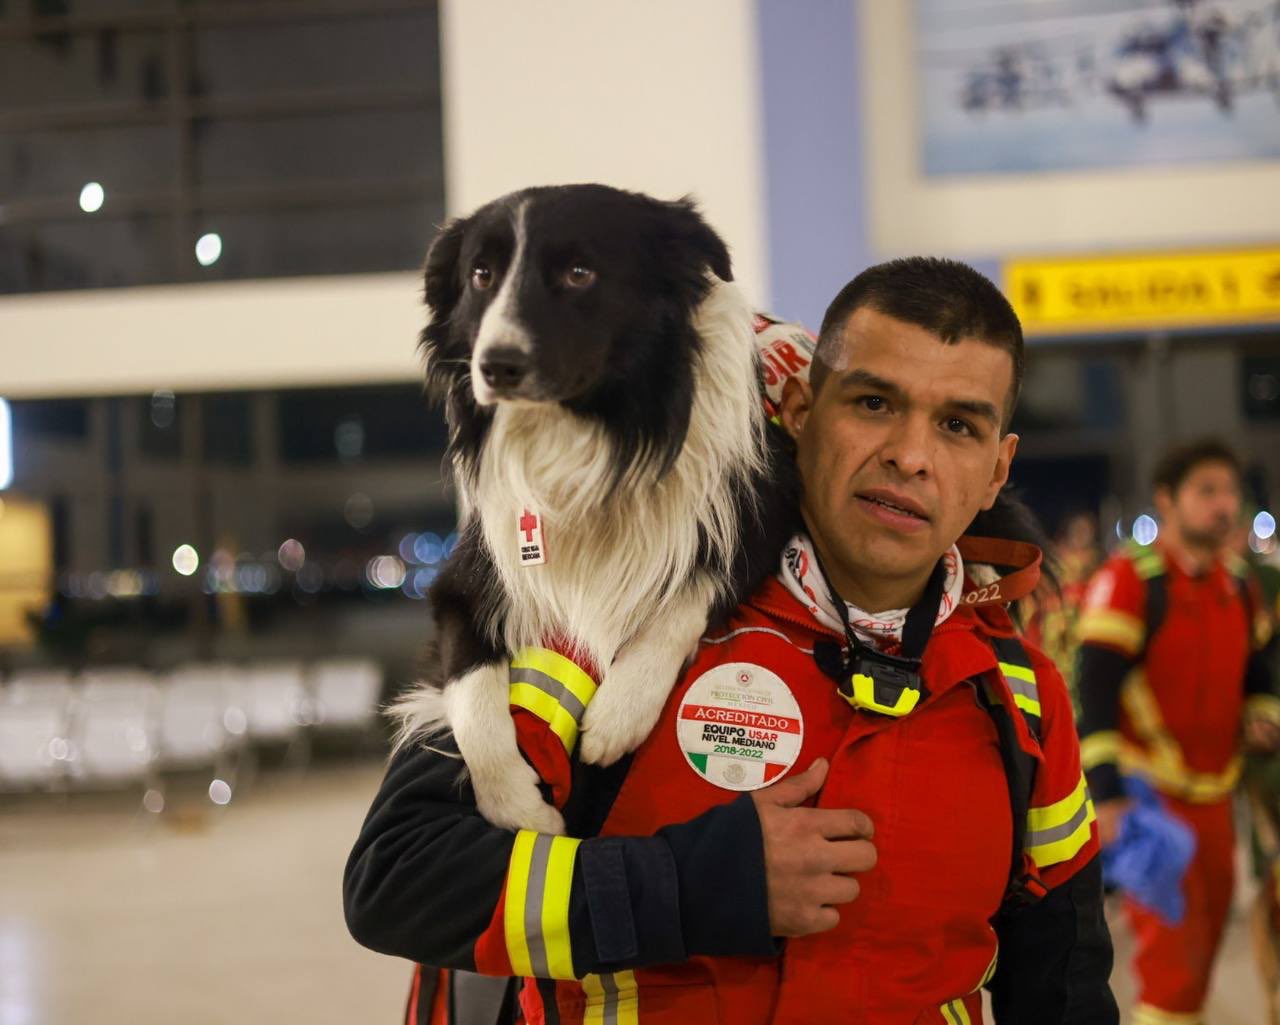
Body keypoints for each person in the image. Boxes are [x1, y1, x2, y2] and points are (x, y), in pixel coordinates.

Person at [344, 257, 1117, 1025]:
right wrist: (699, 881)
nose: (910, 455)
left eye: (957, 424)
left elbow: (1065, 984)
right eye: (874, 403)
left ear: (995, 472)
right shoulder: (609, 624)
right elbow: (398, 878)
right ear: (803, 410)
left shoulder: (1019, 696)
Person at [1075, 439, 1279, 1025]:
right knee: (1173, 966)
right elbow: (1095, 694)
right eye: (1207, 491)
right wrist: (1109, 795)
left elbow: (1256, 670)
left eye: (1230, 492)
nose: (1224, 506)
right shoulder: (1129, 581)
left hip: (1218, 799)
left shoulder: (1237, 584)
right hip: (1152, 803)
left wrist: (1262, 713)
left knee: (1205, 952)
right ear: (1167, 500)